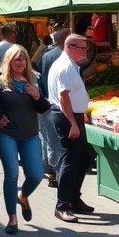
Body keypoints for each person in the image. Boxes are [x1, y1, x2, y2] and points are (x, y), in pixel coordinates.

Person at [0, 44, 49, 234]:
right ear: (9, 61)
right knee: (12, 174)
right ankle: (12, 219)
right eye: (16, 59)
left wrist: (37, 96)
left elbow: (44, 108)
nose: (20, 62)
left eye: (23, 59)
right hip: (6, 134)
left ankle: (22, 197)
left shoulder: (34, 80)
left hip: (30, 134)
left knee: (35, 174)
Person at [47, 33, 96, 223]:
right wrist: (73, 123)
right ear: (71, 47)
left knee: (85, 157)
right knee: (71, 160)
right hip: (68, 117)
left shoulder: (68, 64)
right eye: (83, 48)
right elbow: (64, 97)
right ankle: (62, 205)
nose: (86, 52)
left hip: (72, 116)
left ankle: (73, 198)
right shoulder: (66, 66)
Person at [38, 28, 70, 188]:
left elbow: (42, 78)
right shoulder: (66, 57)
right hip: (62, 104)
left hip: (47, 101)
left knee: (50, 138)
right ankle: (57, 173)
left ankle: (50, 170)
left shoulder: (46, 55)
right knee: (59, 141)